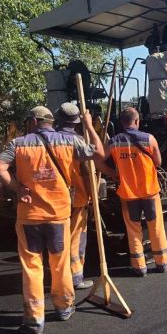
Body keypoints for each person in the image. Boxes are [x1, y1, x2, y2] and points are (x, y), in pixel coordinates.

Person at [0, 105, 104, 334]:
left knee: (32, 268)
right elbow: (99, 155)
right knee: (60, 264)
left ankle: (34, 322)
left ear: (33, 121)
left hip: (29, 216)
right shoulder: (69, 141)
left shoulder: (18, 144)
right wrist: (89, 125)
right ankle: (64, 308)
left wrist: (17, 188)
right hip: (58, 215)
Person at [103, 107, 167, 276]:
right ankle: (161, 263)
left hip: (128, 194)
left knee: (133, 230)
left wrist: (112, 173)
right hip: (149, 192)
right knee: (156, 228)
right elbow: (159, 162)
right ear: (137, 121)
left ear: (121, 123)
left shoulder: (115, 141)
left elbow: (99, 158)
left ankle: (139, 267)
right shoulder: (149, 138)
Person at [54, 101, 93, 291]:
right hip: (76, 198)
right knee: (75, 239)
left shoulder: (45, 140)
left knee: (58, 240)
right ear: (77, 121)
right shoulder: (77, 141)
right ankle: (76, 278)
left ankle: (59, 275)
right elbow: (91, 163)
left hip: (53, 200)